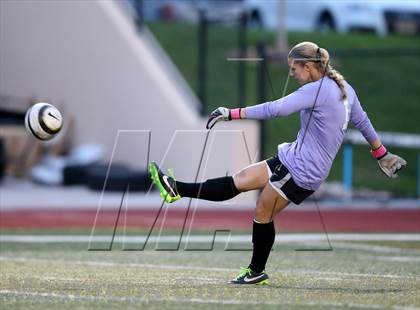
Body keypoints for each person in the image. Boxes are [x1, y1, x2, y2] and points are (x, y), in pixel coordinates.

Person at [149, 41, 407, 285]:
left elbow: (276, 109)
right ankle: (176, 189)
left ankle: (255, 271)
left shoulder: (316, 91)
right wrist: (381, 154)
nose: (292, 73)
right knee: (240, 180)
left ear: (308, 67)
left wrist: (231, 114)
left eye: (294, 68)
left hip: (302, 170)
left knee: (262, 213)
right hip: (292, 157)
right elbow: (362, 122)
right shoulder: (344, 89)